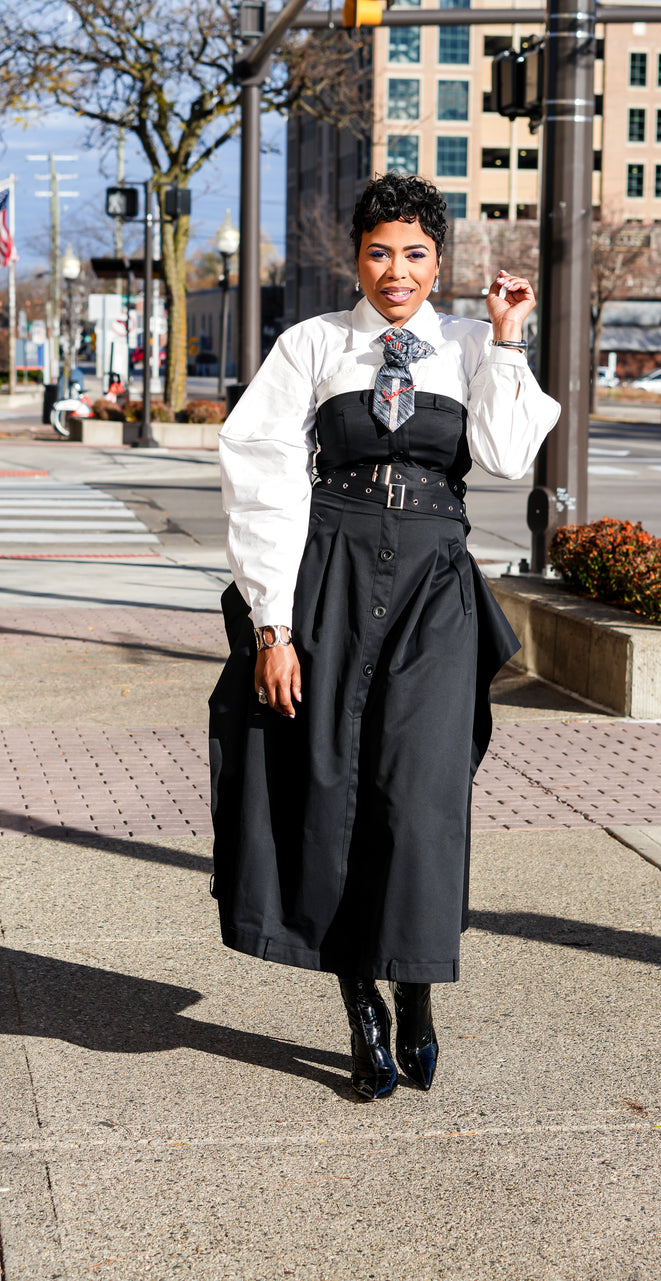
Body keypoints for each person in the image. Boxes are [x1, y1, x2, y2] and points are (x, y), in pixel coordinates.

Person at [209, 173, 559, 1101]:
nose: (394, 271)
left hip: (435, 588)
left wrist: (511, 337)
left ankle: (416, 987)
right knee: (327, 786)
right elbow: (261, 479)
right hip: (329, 572)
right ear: (353, 257)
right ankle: (357, 998)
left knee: (420, 792)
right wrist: (272, 626)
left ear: (439, 262)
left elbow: (509, 452)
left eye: (413, 253)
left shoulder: (477, 344)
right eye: (377, 251)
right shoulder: (313, 345)